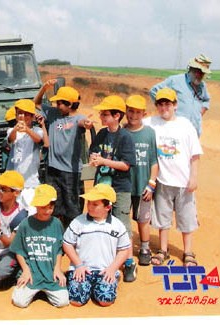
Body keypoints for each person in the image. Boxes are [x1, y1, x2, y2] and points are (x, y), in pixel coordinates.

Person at [143, 88, 203, 267]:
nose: (164, 108)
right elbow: (135, 123)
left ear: (175, 105)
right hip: (162, 181)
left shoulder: (185, 125)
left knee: (187, 219)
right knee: (163, 219)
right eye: (160, 104)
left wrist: (194, 177)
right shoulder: (152, 123)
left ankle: (188, 252)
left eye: (167, 104)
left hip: (184, 183)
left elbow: (195, 154)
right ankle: (163, 250)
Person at [89, 95, 137, 282]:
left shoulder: (125, 137)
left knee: (123, 225)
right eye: (101, 114)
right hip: (102, 185)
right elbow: (93, 151)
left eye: (105, 114)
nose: (102, 117)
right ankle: (108, 260)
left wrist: (103, 161)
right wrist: (94, 158)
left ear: (117, 116)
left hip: (120, 187)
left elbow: (126, 165)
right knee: (102, 221)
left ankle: (129, 262)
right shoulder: (102, 133)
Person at [34, 80, 93, 227]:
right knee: (54, 206)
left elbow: (83, 123)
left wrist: (87, 124)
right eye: (57, 102)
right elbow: (36, 103)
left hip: (71, 173)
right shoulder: (53, 113)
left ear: (71, 104)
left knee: (73, 208)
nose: (57, 105)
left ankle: (73, 238)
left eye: (60, 103)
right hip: (53, 169)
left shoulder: (78, 119)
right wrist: (44, 88)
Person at [63, 184, 130, 307]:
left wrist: (112, 269)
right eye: (89, 202)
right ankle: (80, 282)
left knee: (105, 301)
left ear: (108, 207)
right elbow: (67, 244)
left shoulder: (117, 225)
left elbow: (124, 250)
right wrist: (78, 265)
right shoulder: (78, 222)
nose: (89, 206)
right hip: (82, 269)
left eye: (95, 204)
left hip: (105, 270)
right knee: (76, 301)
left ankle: (102, 285)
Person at [10, 184, 69, 308]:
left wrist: (57, 268)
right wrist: (25, 270)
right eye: (43, 207)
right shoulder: (26, 224)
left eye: (50, 207)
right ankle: (33, 289)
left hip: (50, 273)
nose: (47, 211)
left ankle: (43, 291)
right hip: (32, 273)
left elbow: (59, 250)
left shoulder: (57, 223)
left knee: (63, 302)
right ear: (36, 205)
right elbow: (19, 251)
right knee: (19, 302)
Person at [124, 95, 159, 266]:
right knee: (123, 218)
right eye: (131, 111)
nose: (134, 115)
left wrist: (152, 183)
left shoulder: (149, 133)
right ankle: (124, 249)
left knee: (143, 219)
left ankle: (144, 248)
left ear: (144, 114)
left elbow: (154, 161)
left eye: (138, 112)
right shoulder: (122, 132)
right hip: (124, 185)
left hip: (143, 185)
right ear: (125, 111)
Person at [0, 170, 28, 289]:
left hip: (12, 252)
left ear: (16, 193)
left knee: (0, 273)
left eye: (3, 189)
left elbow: (11, 243)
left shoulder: (21, 215)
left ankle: (17, 270)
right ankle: (1, 268)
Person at [149, 54, 212, 137]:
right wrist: (165, 109)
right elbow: (154, 91)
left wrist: (200, 112)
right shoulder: (175, 81)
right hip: (175, 131)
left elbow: (206, 100)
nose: (200, 75)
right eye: (199, 72)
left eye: (203, 73)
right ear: (192, 69)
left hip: (194, 132)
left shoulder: (202, 85)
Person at [5, 99, 48, 213]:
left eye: (26, 114)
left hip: (30, 183)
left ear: (32, 116)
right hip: (14, 184)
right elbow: (10, 139)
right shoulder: (11, 130)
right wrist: (16, 128)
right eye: (20, 113)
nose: (23, 116)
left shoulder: (37, 130)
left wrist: (27, 130)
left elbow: (39, 140)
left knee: (31, 212)